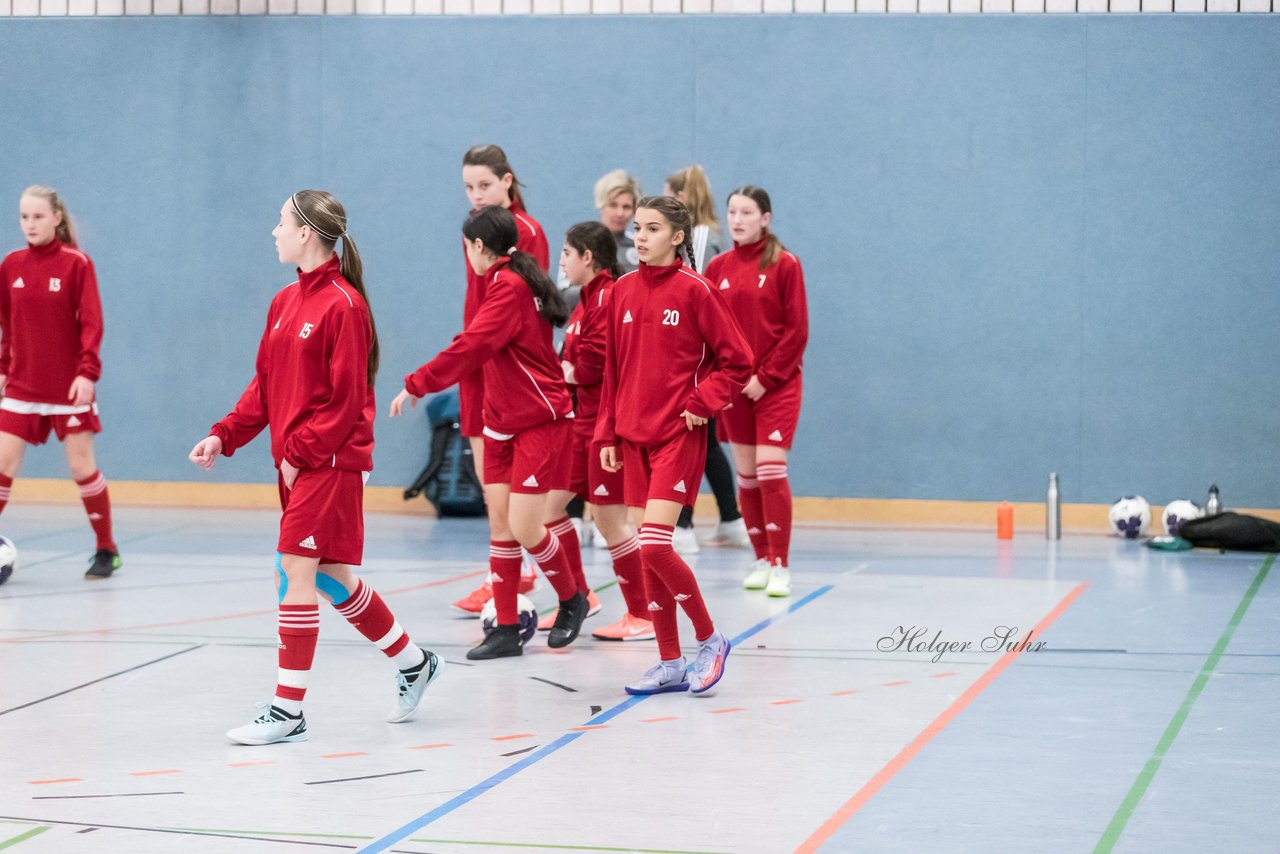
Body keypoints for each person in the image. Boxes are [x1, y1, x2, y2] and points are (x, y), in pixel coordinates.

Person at [189, 191, 442, 745]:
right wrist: (224, 434)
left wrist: (299, 455)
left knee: (294, 571)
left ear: (306, 232)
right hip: (300, 461)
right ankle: (415, 662)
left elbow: (348, 399)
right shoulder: (284, 302)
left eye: (280, 221)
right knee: (329, 574)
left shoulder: (345, 306)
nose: (273, 231)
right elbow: (265, 386)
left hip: (330, 460)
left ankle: (287, 710)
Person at [392, 206, 589, 660]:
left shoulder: (510, 288)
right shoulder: (508, 282)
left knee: (524, 525)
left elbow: (471, 346)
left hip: (540, 420)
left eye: (466, 248)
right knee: (500, 526)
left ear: (479, 247)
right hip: (502, 422)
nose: (467, 256)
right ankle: (504, 629)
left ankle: (571, 597)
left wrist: (417, 383)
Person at [596, 196, 752, 696]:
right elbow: (613, 373)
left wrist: (703, 402)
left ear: (678, 236)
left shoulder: (697, 291)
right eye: (637, 228)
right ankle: (669, 662)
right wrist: (607, 433)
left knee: (658, 543)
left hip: (678, 437)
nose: (640, 237)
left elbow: (739, 362)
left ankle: (710, 638)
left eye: (653, 229)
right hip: (632, 437)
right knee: (646, 552)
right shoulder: (620, 290)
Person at [0, 186, 120, 580]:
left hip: (69, 387)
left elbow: (92, 323)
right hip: (21, 385)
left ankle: (106, 549)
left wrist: (88, 373)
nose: (30, 224)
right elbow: (6, 327)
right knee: (2, 463)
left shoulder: (76, 264)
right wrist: (3, 369)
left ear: (56, 218)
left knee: (80, 467)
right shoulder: (11, 265)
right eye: (24, 217)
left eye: (37, 216)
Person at [453, 144, 548, 615]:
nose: (476, 195)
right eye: (469, 187)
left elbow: (526, 309)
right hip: (476, 367)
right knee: (490, 483)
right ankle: (503, 576)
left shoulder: (527, 233)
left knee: (510, 493)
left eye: (485, 185)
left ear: (508, 181)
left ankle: (529, 579)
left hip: (505, 373)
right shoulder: (474, 230)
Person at [705, 186, 809, 597]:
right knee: (747, 476)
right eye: (732, 211)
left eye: (747, 212)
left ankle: (781, 563)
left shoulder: (785, 264)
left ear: (765, 218)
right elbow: (712, 331)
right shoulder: (718, 267)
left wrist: (764, 377)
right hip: (736, 387)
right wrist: (727, 378)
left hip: (776, 385)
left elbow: (796, 330)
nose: (737, 219)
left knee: (770, 469)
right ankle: (761, 557)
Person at [557, 221, 653, 642]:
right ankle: (580, 595)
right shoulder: (584, 300)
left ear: (587, 257)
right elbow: (572, 358)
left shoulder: (610, 296)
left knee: (612, 520)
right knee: (548, 511)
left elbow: (595, 365)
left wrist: (564, 372)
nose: (561, 262)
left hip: (603, 426)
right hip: (580, 425)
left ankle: (642, 614)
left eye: (566, 253)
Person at [663, 166, 747, 553]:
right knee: (707, 442)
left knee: (694, 439)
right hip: (695, 350)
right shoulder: (708, 237)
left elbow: (694, 294)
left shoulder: (700, 239)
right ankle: (729, 518)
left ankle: (684, 522)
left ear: (681, 197)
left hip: (696, 353)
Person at [593, 169, 641, 274]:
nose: (620, 213)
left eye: (626, 207)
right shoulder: (582, 242)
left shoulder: (640, 244)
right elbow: (565, 287)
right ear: (600, 206)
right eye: (613, 205)